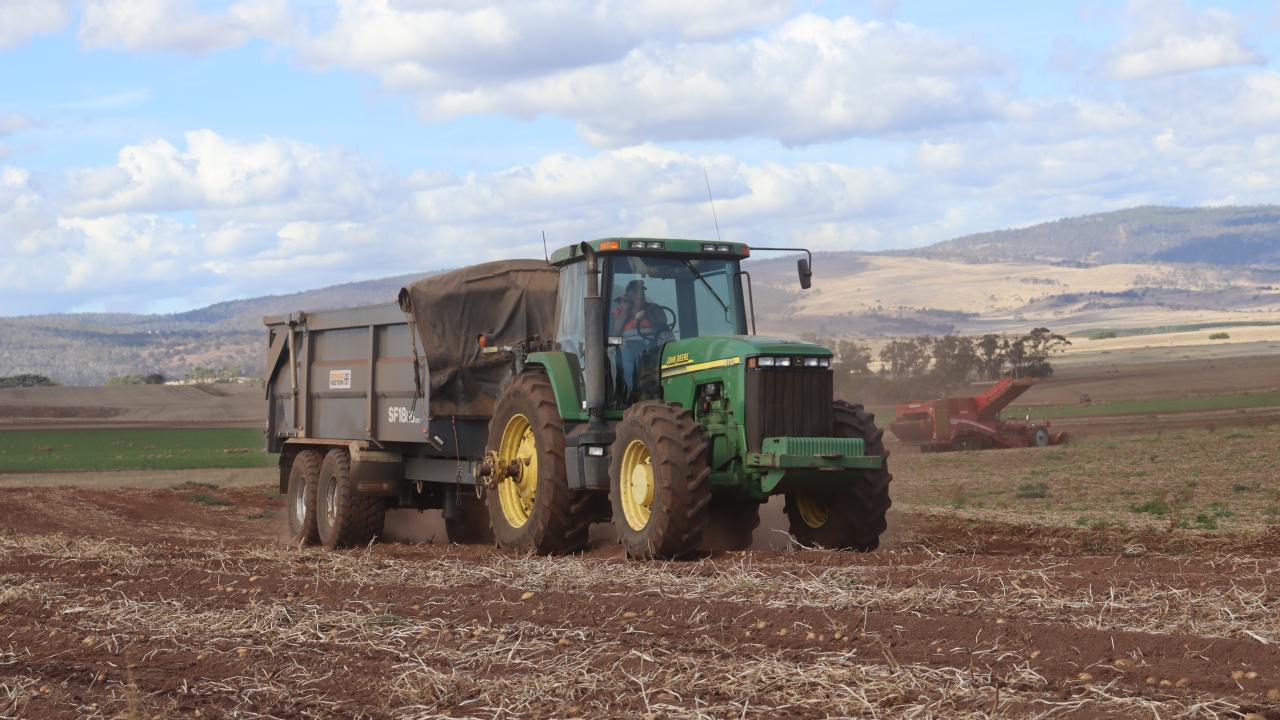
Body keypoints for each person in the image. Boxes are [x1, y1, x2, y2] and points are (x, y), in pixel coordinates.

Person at [610, 280, 663, 395]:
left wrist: (647, 313)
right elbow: (615, 334)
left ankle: (655, 392)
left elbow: (663, 325)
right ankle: (627, 393)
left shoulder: (654, 309)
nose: (640, 295)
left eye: (641, 292)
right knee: (625, 368)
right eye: (636, 293)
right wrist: (625, 311)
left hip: (653, 346)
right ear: (629, 294)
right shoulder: (620, 311)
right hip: (629, 347)